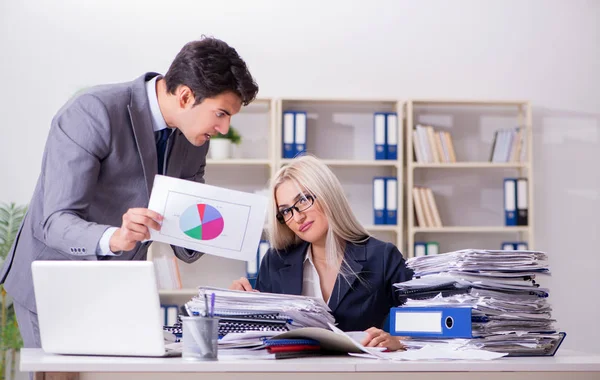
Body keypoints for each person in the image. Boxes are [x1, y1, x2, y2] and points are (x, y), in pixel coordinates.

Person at [1, 36, 259, 352]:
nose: (224, 128)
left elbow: (188, 237)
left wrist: (219, 224)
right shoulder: (92, 112)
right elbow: (53, 221)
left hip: (119, 289)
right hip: (55, 284)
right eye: (220, 113)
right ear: (185, 96)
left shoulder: (195, 141)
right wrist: (114, 237)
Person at [230, 155, 413, 351]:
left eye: (303, 200)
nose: (298, 217)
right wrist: (239, 307)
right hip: (291, 374)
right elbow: (260, 336)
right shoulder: (275, 261)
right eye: (286, 211)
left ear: (327, 195)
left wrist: (400, 342)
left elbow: (428, 319)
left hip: (357, 375)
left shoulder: (382, 256)